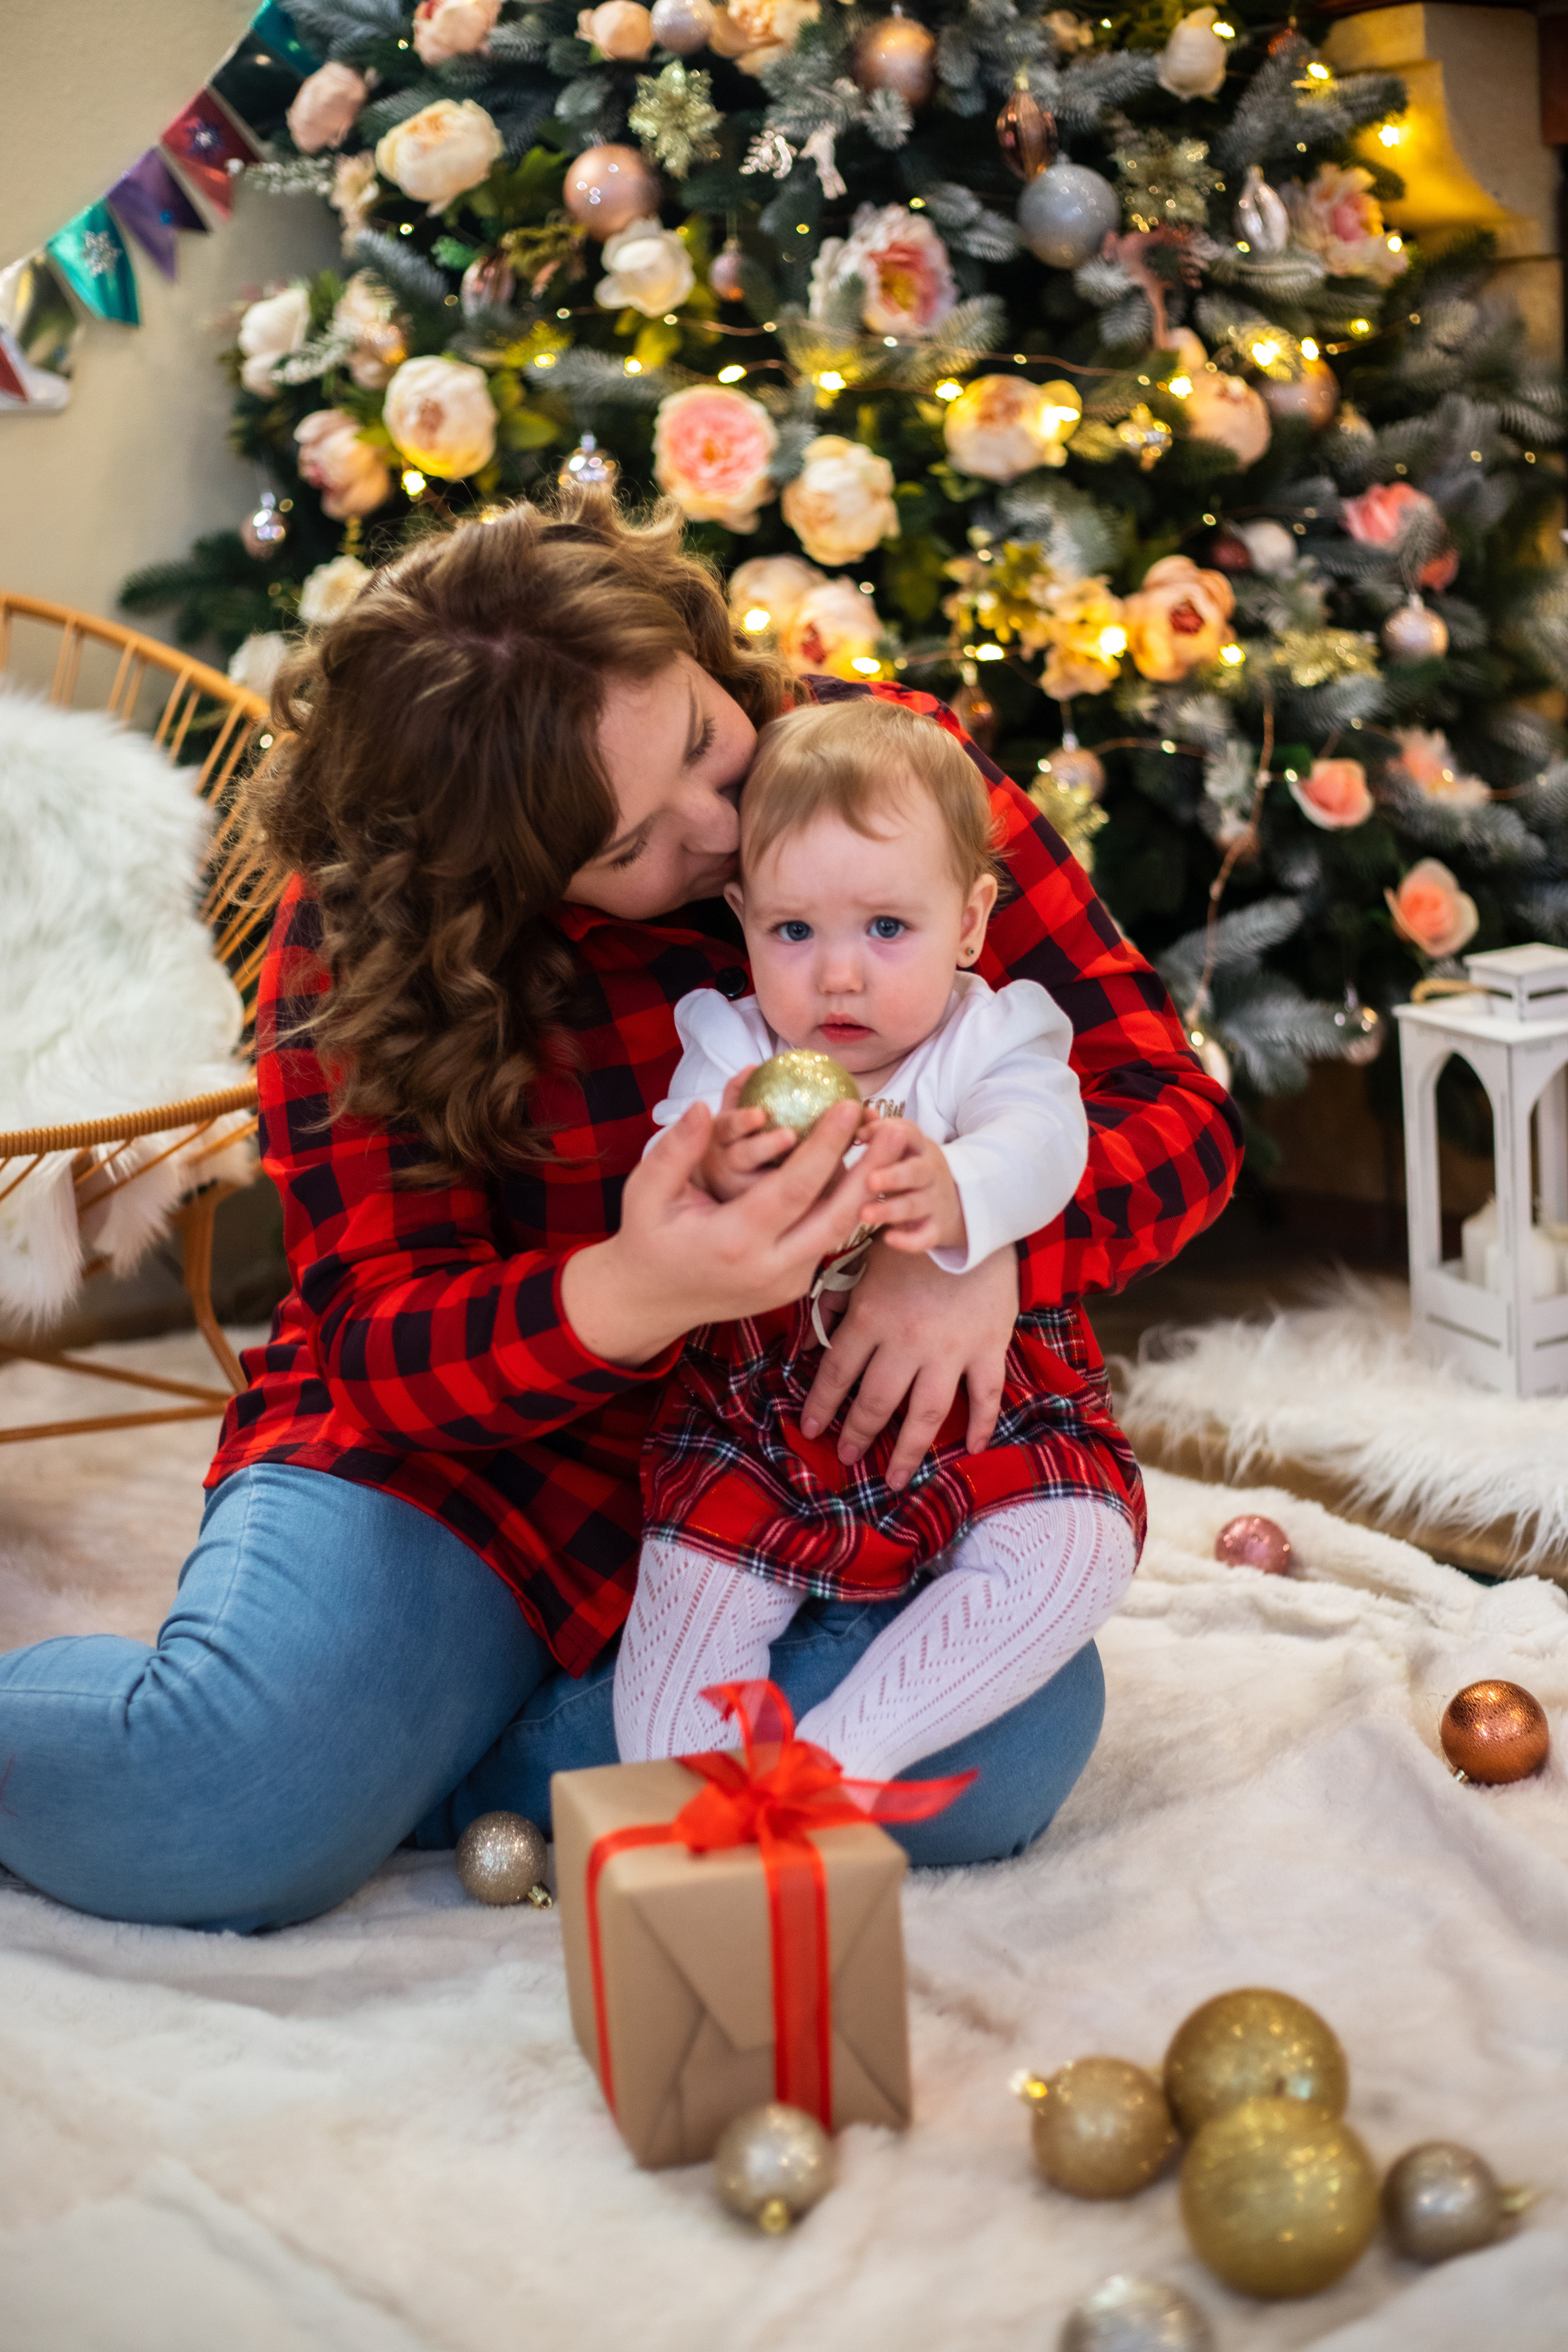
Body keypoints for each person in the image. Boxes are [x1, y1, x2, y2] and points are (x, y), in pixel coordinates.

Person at [0, 490, 1241, 1932]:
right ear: (503, 876)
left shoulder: (873, 783)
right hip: (475, 1466)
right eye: (633, 842)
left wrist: (985, 1245)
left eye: (708, 744)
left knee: (1003, 1744)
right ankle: (404, 1753)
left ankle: (437, 1766)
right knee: (218, 1807)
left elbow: (1170, 1105)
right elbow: (379, 1351)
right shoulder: (365, 919)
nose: (723, 834)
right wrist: (639, 1286)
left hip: (792, 1458)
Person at [614, 695, 1140, 1781]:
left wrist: (958, 1192)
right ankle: (691, 1811)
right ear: (744, 919)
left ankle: (840, 1767)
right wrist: (723, 1168)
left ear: (972, 922)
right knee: (691, 1586)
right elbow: (678, 1153)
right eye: (792, 932)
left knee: (1078, 1550)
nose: (838, 975)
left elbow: (1049, 1136)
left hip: (979, 1398)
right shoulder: (733, 1048)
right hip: (769, 1406)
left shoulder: (993, 1033)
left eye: (887, 929)